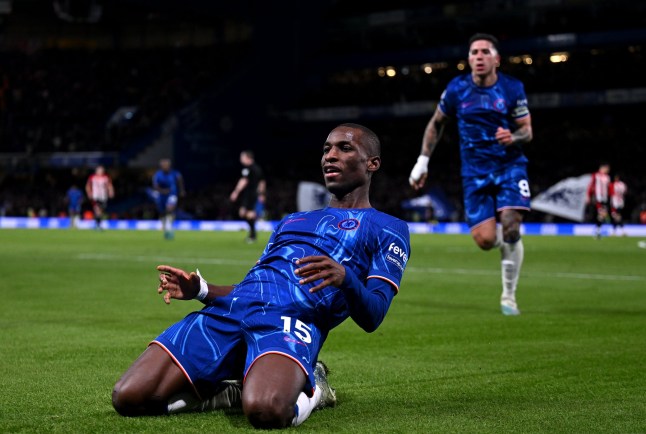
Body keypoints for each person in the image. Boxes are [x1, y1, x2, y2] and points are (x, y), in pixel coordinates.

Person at [112, 123, 411, 429]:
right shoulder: (292, 221)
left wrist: (346, 278)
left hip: (290, 322)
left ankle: (316, 388)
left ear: (372, 163)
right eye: (326, 149)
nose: (330, 156)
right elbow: (252, 288)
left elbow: (373, 315)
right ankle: (231, 392)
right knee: (128, 397)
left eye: (344, 148)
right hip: (232, 311)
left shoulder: (389, 229)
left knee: (266, 412)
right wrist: (200, 289)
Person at [409, 33, 533, 316]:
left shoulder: (512, 88)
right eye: (474, 52)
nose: (478, 56)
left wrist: (512, 137)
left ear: (496, 59)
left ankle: (509, 297)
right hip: (474, 173)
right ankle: (507, 248)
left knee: (511, 224)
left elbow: (527, 130)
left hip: (510, 166)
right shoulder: (457, 89)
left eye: (484, 52)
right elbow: (436, 124)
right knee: (486, 241)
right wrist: (422, 161)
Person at [229, 150, 266, 243]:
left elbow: (244, 181)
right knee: (244, 213)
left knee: (248, 214)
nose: (240, 159)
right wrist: (262, 194)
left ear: (247, 158)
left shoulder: (247, 169)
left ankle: (253, 236)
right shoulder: (258, 168)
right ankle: (253, 234)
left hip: (250, 195)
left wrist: (236, 192)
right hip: (254, 194)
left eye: (242, 157)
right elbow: (262, 182)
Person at [152, 158, 186, 240]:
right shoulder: (158, 175)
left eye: (166, 165)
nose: (165, 167)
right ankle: (164, 225)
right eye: (163, 165)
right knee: (162, 212)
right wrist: (162, 191)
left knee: (170, 209)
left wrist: (181, 190)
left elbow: (180, 179)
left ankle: (169, 226)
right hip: (161, 195)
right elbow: (155, 186)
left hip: (172, 194)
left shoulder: (174, 173)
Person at [586, 162, 611, 239]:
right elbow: (591, 186)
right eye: (607, 169)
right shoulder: (595, 175)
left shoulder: (607, 177)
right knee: (601, 214)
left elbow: (609, 188)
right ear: (603, 168)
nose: (608, 170)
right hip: (598, 198)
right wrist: (588, 196)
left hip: (605, 198)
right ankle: (597, 232)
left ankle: (597, 231)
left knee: (602, 215)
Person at [85, 165, 114, 230]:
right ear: (96, 171)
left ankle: (98, 223)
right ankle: (98, 225)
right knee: (97, 210)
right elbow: (88, 186)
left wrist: (111, 192)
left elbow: (109, 185)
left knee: (101, 211)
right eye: (99, 170)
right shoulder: (92, 177)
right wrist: (89, 193)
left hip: (103, 196)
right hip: (95, 196)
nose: (100, 171)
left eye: (102, 170)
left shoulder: (106, 177)